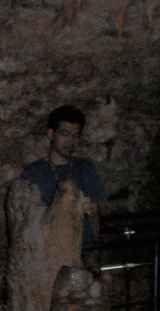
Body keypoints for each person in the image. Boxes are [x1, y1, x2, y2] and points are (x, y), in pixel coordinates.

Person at [21, 105, 107, 263]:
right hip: (47, 255)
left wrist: (95, 248)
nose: (70, 141)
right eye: (64, 134)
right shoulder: (33, 173)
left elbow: (94, 211)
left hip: (82, 252)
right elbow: (27, 218)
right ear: (51, 134)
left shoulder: (85, 169)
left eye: (75, 136)